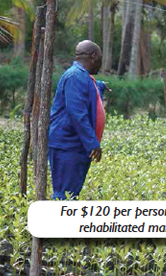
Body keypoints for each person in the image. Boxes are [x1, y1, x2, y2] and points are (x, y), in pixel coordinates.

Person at [48, 40, 106, 200]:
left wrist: (99, 87)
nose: (101, 63)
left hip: (75, 146)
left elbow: (87, 97)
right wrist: (93, 143)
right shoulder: (75, 76)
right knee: (64, 196)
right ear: (93, 56)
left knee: (72, 194)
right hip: (67, 146)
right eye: (100, 58)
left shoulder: (83, 77)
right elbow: (77, 113)